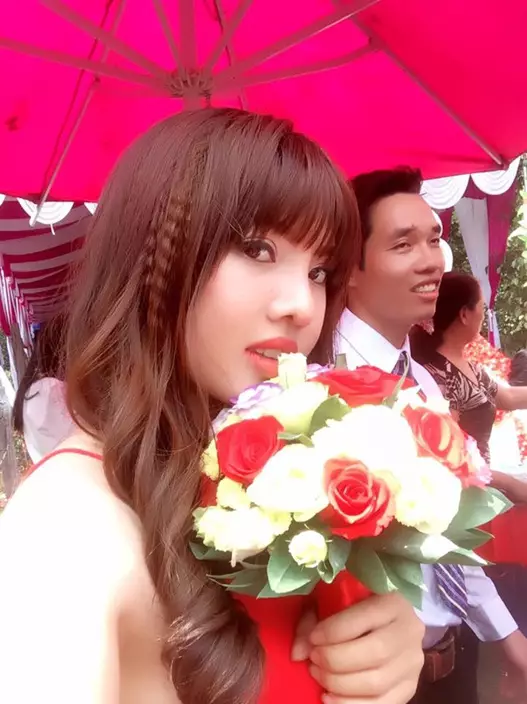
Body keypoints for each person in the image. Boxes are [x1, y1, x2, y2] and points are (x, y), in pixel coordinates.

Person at [0, 110, 425, 704]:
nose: (303, 305)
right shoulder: (67, 524)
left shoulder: (281, 481)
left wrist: (382, 649)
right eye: (257, 248)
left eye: (320, 270)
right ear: (154, 254)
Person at [335, 167, 527, 704]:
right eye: (403, 244)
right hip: (374, 684)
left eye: (434, 238)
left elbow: (447, 528)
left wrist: (507, 639)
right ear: (349, 267)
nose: (432, 260)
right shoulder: (317, 386)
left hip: (451, 659)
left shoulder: (419, 379)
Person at [411, 272, 527, 501]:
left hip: (485, 484)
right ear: (464, 314)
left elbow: (508, 397)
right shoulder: (439, 377)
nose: (483, 315)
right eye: (481, 307)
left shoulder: (469, 368)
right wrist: (510, 484)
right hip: (466, 497)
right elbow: (450, 458)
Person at [12, 316, 75, 463]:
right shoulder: (50, 388)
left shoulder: (32, 390)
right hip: (66, 466)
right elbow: (76, 430)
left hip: (49, 466)